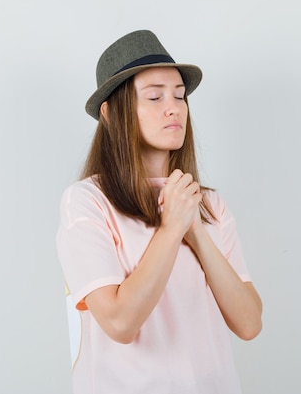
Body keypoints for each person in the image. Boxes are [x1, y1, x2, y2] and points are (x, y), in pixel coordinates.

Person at [56, 29, 262, 394]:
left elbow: (249, 324)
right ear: (111, 113)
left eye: (180, 96)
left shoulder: (209, 205)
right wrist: (170, 230)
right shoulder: (88, 201)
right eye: (154, 96)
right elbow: (120, 323)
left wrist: (195, 230)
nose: (174, 107)